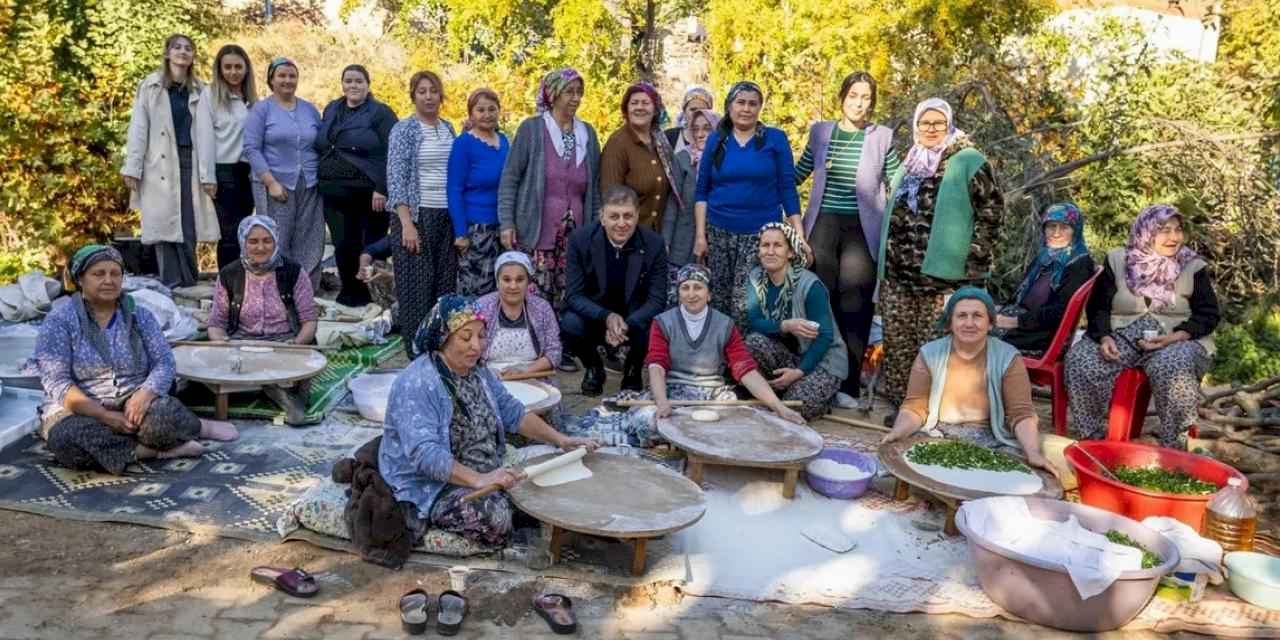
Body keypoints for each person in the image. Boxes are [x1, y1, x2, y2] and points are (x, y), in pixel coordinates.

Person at [379, 295, 599, 546]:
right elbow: (425, 454)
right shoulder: (418, 383)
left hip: (487, 465)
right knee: (496, 518)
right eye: (466, 337)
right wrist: (479, 479)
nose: (476, 346)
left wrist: (562, 440)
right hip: (437, 484)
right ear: (443, 338)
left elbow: (513, 412)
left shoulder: (479, 370)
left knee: (553, 463)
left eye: (481, 336)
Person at [34, 246, 238, 475]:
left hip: (134, 400)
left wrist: (144, 395)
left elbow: (164, 362)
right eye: (98, 274)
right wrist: (104, 416)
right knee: (65, 439)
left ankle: (197, 426)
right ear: (80, 279)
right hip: (82, 409)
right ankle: (152, 451)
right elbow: (57, 382)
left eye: (115, 273)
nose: (108, 280)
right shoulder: (60, 321)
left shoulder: (139, 315)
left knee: (163, 416)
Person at [566, 263, 804, 447]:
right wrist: (661, 402)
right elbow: (657, 366)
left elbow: (745, 370)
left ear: (709, 294)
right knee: (645, 422)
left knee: (741, 427)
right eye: (685, 287)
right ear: (678, 293)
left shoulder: (725, 325)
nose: (691, 294)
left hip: (712, 395)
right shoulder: (663, 322)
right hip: (672, 392)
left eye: (698, 287)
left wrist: (778, 407)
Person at [877, 97, 1002, 414]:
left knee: (935, 349)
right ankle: (904, 409)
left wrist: (974, 264)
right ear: (916, 126)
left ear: (949, 124)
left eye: (938, 123)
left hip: (942, 280)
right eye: (925, 123)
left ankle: (933, 411)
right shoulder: (910, 162)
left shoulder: (968, 160)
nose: (931, 129)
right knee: (898, 345)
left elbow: (991, 213)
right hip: (899, 276)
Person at [1066, 204, 1220, 448]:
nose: (1173, 237)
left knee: (1173, 366)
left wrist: (1175, 337)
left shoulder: (1192, 266)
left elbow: (1208, 314)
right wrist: (1104, 337)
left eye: (1178, 230)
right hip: (1122, 336)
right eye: (1164, 230)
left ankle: (1174, 447)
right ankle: (1092, 439)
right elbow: (1098, 307)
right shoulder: (1118, 260)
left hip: (1176, 339)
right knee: (1081, 360)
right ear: (1146, 231)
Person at [795, 71, 901, 408]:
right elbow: (798, 174)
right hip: (822, 227)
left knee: (855, 308)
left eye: (865, 97)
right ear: (842, 97)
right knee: (819, 303)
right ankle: (815, 376)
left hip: (862, 231)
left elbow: (899, 183)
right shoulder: (821, 132)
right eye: (853, 95)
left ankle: (849, 386)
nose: (858, 103)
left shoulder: (882, 137)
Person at [880, 287, 1052, 471]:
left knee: (1017, 469)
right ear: (949, 323)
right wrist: (898, 432)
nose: (969, 323)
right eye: (961, 316)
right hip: (937, 434)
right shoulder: (929, 354)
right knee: (900, 456)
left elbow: (1021, 414)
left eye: (977, 316)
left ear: (990, 324)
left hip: (991, 438)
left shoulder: (1008, 357)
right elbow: (915, 408)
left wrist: (1033, 452)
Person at [496, 68, 602, 325]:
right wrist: (507, 223)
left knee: (570, 295)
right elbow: (510, 178)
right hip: (536, 230)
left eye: (579, 92)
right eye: (569, 92)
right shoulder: (532, 129)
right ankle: (534, 340)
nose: (575, 98)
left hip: (574, 233)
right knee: (536, 296)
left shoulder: (587, 133)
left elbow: (595, 188)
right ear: (553, 94)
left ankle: (561, 342)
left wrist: (595, 230)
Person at [693, 81, 802, 328]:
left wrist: (798, 234)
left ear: (760, 108)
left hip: (759, 235)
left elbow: (787, 188)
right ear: (730, 106)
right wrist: (700, 236)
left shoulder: (775, 139)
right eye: (740, 102)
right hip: (718, 231)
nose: (746, 109)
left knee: (744, 303)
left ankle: (744, 352)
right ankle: (720, 350)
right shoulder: (716, 140)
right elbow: (702, 191)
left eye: (753, 104)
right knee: (718, 298)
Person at [122, 33, 221, 289]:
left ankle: (188, 282)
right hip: (159, 163)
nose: (183, 52)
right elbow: (138, 128)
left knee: (188, 224)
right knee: (162, 227)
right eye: (177, 47)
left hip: (190, 161)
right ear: (167, 53)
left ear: (193, 56)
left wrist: (209, 175)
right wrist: (132, 167)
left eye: (188, 48)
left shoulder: (201, 90)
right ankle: (171, 284)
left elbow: (208, 134)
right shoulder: (150, 86)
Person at [207, 216, 320, 424]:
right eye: (253, 241)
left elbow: (309, 321)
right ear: (243, 242)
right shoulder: (229, 274)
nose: (261, 247)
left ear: (276, 241)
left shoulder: (294, 272)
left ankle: (275, 390)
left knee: (297, 374)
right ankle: (271, 388)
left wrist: (296, 344)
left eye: (267, 241)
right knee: (204, 367)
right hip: (243, 345)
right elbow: (216, 324)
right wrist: (221, 342)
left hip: (285, 345)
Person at [560, 186, 668, 395]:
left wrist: (627, 324)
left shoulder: (654, 244)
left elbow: (657, 300)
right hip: (596, 314)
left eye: (628, 216)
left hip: (634, 317)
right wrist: (607, 317)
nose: (621, 223)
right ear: (602, 217)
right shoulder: (580, 240)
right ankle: (594, 368)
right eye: (614, 216)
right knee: (570, 324)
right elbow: (574, 295)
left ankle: (633, 371)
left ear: (637, 216)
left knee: (656, 324)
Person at [386, 70, 458, 358]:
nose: (429, 97)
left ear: (441, 95)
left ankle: (439, 346)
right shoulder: (404, 130)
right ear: (413, 96)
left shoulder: (448, 128)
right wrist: (407, 224)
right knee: (416, 288)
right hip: (416, 215)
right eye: (422, 91)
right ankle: (416, 352)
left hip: (446, 215)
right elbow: (396, 179)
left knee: (444, 284)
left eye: (433, 91)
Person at [743, 223, 847, 420]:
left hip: (821, 360)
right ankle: (779, 392)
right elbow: (754, 321)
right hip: (789, 355)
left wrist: (799, 372)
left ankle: (823, 396)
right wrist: (784, 325)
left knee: (797, 406)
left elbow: (825, 336)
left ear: (790, 252)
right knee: (752, 342)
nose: (770, 251)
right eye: (765, 245)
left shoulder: (810, 285)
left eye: (777, 245)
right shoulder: (756, 278)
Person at [315, 64, 397, 307]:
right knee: (343, 245)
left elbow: (392, 152)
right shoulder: (332, 109)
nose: (353, 85)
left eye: (359, 81)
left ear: (368, 85)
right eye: (348, 81)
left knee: (368, 247)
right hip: (334, 192)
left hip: (370, 194)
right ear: (342, 84)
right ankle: (350, 295)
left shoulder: (381, 113)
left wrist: (382, 187)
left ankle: (374, 296)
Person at [243, 57, 325, 289]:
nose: (287, 80)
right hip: (275, 182)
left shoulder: (309, 109)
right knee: (277, 237)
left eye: (292, 76)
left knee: (310, 236)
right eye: (282, 75)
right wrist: (270, 182)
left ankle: (305, 288)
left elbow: (320, 143)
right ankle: (278, 288)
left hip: (309, 182)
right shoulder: (261, 109)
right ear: (271, 79)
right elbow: (251, 148)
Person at [993, 202, 1096, 354]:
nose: (1056, 233)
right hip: (1023, 319)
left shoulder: (1079, 263)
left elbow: (1060, 312)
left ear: (1075, 231)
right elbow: (1020, 297)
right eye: (1051, 226)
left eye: (1064, 227)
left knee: (972, 335)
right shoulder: (1044, 257)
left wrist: (1012, 322)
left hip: (1042, 334)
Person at [197, 43, 258, 271]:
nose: (233, 72)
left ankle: (244, 277)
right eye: (228, 67)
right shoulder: (210, 96)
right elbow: (204, 137)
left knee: (245, 230)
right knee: (229, 233)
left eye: (238, 67)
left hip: (248, 172)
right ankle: (228, 281)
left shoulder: (252, 100)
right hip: (224, 171)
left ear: (246, 68)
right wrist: (207, 177)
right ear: (220, 69)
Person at [449, 88, 511, 297]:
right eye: (481, 110)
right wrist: (460, 232)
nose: (487, 114)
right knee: (475, 289)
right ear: (471, 114)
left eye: (492, 109)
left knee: (500, 289)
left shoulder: (504, 141)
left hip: (502, 227)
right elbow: (454, 189)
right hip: (476, 229)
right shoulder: (464, 143)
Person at [600, 82, 680, 233]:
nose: (639, 107)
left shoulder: (661, 142)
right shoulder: (618, 143)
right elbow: (610, 196)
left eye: (645, 103)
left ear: (655, 109)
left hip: (656, 235)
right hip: (627, 234)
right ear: (626, 109)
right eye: (634, 103)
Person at [474, 252, 562, 378]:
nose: (513, 286)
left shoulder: (542, 308)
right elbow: (469, 348)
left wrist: (525, 371)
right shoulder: (481, 307)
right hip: (489, 377)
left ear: (528, 282)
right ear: (497, 282)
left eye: (520, 280)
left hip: (532, 376)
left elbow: (554, 352)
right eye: (506, 279)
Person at [665, 108, 719, 300]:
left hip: (717, 241)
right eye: (695, 129)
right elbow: (672, 202)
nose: (700, 134)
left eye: (707, 128)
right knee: (679, 296)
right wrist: (666, 240)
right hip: (683, 238)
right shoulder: (682, 158)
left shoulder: (726, 159)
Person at [665, 87, 714, 152]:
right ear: (684, 111)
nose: (697, 113)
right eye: (693, 109)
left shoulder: (715, 139)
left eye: (702, 110)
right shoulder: (668, 137)